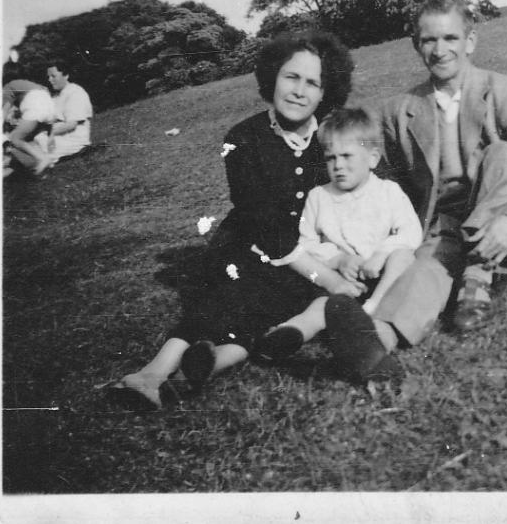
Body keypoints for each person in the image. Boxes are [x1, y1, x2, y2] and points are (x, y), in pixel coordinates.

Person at [107, 31, 382, 411]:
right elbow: (268, 231)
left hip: (308, 258)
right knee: (232, 296)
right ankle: (153, 372)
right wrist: (332, 279)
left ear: (325, 91)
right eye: (291, 77)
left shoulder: (332, 139)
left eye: (312, 83)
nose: (300, 91)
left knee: (270, 307)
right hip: (250, 245)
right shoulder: (242, 139)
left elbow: (358, 192)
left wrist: (341, 257)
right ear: (272, 78)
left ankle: (205, 367)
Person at [322, 0, 507, 381]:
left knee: (504, 153)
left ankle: (477, 274)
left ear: (470, 42)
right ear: (417, 46)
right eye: (429, 41)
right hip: (445, 227)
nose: (440, 50)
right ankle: (375, 343)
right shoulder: (399, 111)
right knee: (426, 267)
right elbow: (371, 173)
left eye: (450, 39)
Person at [255, 107, 422, 363]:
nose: (338, 166)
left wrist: (381, 254)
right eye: (331, 158)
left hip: (383, 275)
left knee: (404, 257)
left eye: (347, 156)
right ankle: (293, 332)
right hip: (343, 281)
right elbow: (307, 244)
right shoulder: (319, 197)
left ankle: (373, 309)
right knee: (321, 306)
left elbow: (410, 231)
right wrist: (338, 261)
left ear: (373, 158)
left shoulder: (388, 192)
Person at [2, 65, 55, 177]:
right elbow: (45, 92)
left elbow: (3, 113)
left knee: (15, 138)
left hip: (34, 104)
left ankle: (43, 158)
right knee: (37, 135)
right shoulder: (27, 84)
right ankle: (47, 164)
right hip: (48, 104)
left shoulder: (8, 87)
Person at [46, 59, 94, 162]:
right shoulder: (55, 97)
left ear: (66, 75)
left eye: (53, 76)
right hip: (59, 138)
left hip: (74, 141)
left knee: (34, 146)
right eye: (48, 77)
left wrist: (45, 132)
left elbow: (71, 125)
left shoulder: (75, 93)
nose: (50, 80)